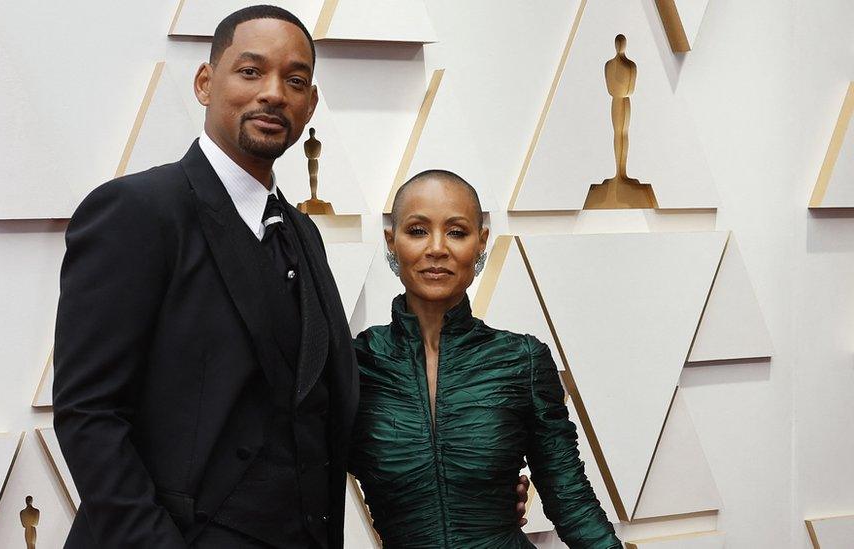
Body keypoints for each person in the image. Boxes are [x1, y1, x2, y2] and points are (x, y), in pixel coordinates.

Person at [53, 6, 359, 548]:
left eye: (295, 80)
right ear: (204, 82)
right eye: (250, 71)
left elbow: (319, 407)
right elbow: (89, 414)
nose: (273, 93)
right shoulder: (136, 211)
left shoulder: (303, 234)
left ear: (310, 105)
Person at [349, 170, 623, 548]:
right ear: (391, 241)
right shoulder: (355, 363)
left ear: (481, 243)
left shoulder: (522, 359)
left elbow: (569, 497)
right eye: (417, 231)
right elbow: (308, 487)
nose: (437, 248)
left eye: (457, 232)